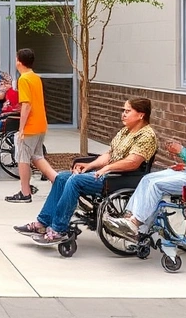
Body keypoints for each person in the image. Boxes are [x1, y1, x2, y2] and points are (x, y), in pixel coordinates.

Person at [14, 98, 158, 245]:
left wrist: (107, 168)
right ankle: (42, 223)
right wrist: (89, 166)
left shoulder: (146, 135)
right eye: (123, 110)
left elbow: (133, 162)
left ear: (141, 115)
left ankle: (59, 229)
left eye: (127, 111)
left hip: (120, 178)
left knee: (75, 181)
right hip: (107, 173)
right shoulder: (125, 131)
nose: (123, 114)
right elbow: (109, 155)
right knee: (62, 177)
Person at [103, 87, 186, 240]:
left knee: (156, 185)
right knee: (148, 179)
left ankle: (134, 223)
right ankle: (131, 222)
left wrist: (181, 151)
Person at [6, 48, 55, 203]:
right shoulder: (35, 77)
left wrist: (21, 128)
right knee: (37, 156)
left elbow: (26, 105)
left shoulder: (24, 79)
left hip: (30, 126)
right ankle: (58, 180)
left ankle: (25, 192)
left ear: (19, 62)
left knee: (23, 158)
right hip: (41, 123)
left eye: (16, 59)